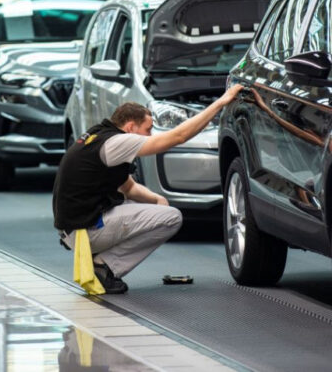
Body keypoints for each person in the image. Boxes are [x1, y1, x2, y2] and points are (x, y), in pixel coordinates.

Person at [53, 84, 245, 293]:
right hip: (85, 230)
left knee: (158, 210)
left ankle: (101, 260)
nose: (150, 134)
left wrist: (156, 200)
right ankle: (104, 266)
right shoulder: (118, 142)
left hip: (76, 229)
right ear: (130, 128)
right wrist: (221, 102)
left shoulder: (99, 137)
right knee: (172, 218)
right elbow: (177, 137)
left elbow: (129, 187)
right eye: (147, 129)